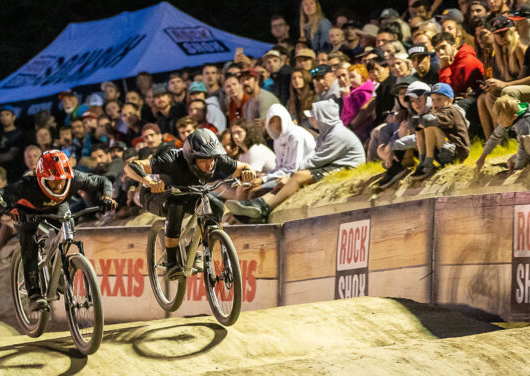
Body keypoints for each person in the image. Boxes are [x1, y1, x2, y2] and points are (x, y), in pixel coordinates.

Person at [0, 150, 115, 311]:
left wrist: (107, 197)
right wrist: (10, 210)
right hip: (27, 212)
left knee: (66, 229)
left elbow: (103, 181)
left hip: (57, 208)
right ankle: (34, 293)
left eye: (63, 181)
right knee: (29, 241)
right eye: (53, 182)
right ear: (41, 179)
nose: (59, 185)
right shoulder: (27, 184)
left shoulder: (74, 177)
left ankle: (60, 271)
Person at [124, 129, 255, 277]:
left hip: (188, 192)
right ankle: (172, 263)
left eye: (211, 159)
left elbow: (242, 167)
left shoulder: (216, 159)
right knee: (176, 206)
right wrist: (148, 180)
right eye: (203, 160)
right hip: (155, 194)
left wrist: (248, 171)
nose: (209, 165)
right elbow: (130, 166)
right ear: (191, 158)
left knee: (217, 207)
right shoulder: (172, 159)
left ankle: (193, 249)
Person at [226, 100, 365, 222]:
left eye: (314, 117)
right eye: (272, 121)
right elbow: (313, 160)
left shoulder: (337, 134)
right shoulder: (327, 133)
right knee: (284, 180)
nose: (311, 120)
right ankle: (256, 207)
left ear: (324, 118)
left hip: (348, 169)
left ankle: (262, 208)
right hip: (335, 166)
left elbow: (314, 161)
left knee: (297, 176)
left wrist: (288, 176)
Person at [475, 94, 530, 173]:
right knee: (510, 161)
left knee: (517, 159)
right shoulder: (508, 119)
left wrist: (518, 168)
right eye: (498, 121)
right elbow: (494, 138)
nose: (500, 124)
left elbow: (523, 147)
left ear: (514, 117)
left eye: (502, 121)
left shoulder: (523, 123)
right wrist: (482, 157)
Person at [406, 82, 471, 180]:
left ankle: (428, 162)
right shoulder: (437, 111)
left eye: (439, 99)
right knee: (421, 129)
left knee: (430, 124)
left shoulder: (450, 110)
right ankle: (423, 160)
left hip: (457, 151)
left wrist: (417, 123)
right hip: (444, 150)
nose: (435, 103)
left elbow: (429, 120)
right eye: (432, 100)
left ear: (450, 100)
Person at [256, 103, 316, 195]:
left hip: (302, 173)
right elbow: (279, 167)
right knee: (249, 188)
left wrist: (264, 179)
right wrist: (266, 176)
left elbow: (293, 167)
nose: (276, 125)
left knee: (255, 191)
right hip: (286, 174)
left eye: (278, 120)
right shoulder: (277, 140)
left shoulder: (296, 135)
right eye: (272, 122)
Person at [0, 107, 26, 176]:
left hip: (15, 173)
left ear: (14, 117)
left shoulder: (20, 135)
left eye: (7, 114)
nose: (4, 117)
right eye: (2, 115)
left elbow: (12, 155)